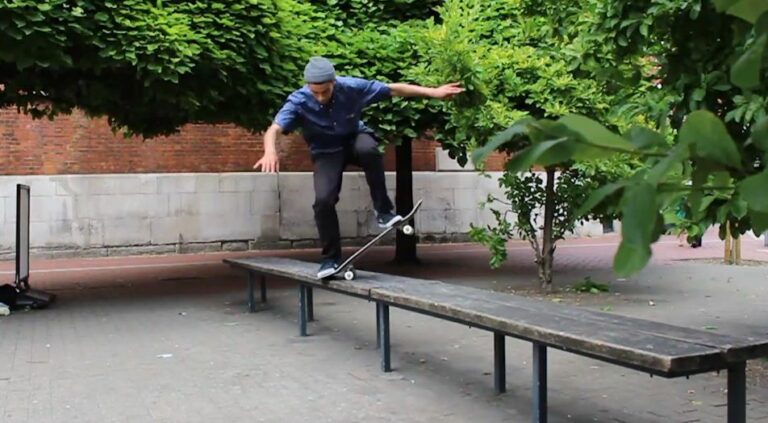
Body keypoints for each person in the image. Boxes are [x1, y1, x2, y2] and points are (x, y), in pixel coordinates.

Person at [253, 56, 464, 278]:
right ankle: (331, 259)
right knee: (323, 201)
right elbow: (274, 129)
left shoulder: (352, 87)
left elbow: (392, 89)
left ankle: (383, 211)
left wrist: (433, 92)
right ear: (308, 86)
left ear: (334, 82)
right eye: (316, 93)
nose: (321, 97)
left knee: (369, 149)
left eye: (325, 91)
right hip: (326, 152)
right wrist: (270, 151)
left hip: (354, 139)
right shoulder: (298, 100)